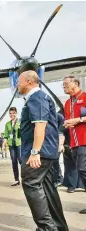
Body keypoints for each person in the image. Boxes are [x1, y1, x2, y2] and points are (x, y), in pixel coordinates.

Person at [17, 70, 69, 230]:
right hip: (46, 152)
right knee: (47, 188)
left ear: (28, 81)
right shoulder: (40, 97)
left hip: (38, 153)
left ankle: (47, 228)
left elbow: (40, 124)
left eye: (18, 81)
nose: (16, 85)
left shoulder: (37, 97)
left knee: (31, 184)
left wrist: (35, 152)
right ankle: (59, 226)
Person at [62, 75, 86, 214]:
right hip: (74, 143)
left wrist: (79, 119)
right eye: (63, 85)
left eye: (66, 84)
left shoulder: (84, 97)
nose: (64, 87)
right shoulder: (66, 103)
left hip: (84, 140)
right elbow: (67, 121)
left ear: (75, 83)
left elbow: (80, 119)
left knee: (83, 169)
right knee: (81, 171)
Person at [58, 110, 85, 192]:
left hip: (82, 144)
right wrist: (61, 144)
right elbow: (61, 131)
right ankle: (71, 185)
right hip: (69, 145)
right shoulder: (65, 117)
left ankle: (81, 185)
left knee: (82, 167)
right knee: (70, 166)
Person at [4, 107, 22, 186]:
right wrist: (4, 145)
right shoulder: (7, 124)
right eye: (10, 113)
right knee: (14, 162)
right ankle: (16, 179)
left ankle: (25, 178)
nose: (12, 115)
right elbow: (6, 135)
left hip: (19, 143)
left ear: (16, 113)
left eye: (13, 113)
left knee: (21, 160)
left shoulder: (20, 122)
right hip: (11, 144)